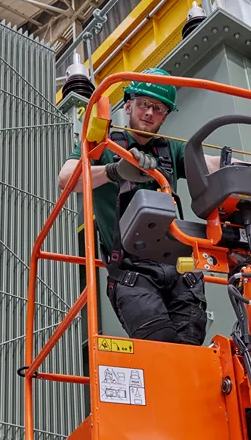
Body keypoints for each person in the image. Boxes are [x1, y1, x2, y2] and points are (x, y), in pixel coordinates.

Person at [57, 68, 225, 345]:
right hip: (132, 274)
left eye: (158, 108)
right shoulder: (104, 146)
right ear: (128, 105)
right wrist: (113, 170)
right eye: (144, 103)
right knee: (160, 346)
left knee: (191, 351)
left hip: (180, 271)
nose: (149, 112)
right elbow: (66, 178)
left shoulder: (172, 150)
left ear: (166, 115)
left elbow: (211, 164)